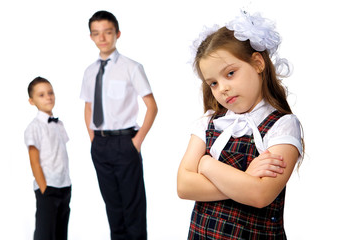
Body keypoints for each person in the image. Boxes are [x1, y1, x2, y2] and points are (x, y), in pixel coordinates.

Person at [177, 11, 303, 239]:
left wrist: (206, 164)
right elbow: (184, 186)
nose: (222, 88)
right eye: (213, 83)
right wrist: (245, 176)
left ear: (257, 63)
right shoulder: (209, 123)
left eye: (230, 73)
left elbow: (260, 194)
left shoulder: (283, 125)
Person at [80, 10, 158, 240]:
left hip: (126, 142)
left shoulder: (131, 67)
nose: (102, 38)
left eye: (107, 32)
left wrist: (137, 141)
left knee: (133, 208)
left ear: (117, 33)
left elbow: (152, 106)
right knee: (112, 207)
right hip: (100, 144)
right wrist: (93, 138)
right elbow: (88, 107)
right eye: (96, 33)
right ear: (91, 37)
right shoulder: (90, 71)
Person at [24, 77, 72, 240]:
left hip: (64, 185)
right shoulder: (34, 128)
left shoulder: (59, 124)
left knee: (60, 232)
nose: (48, 97)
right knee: (45, 233)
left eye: (50, 93)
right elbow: (34, 161)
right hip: (48, 188)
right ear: (32, 101)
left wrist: (67, 183)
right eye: (41, 95)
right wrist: (44, 188)